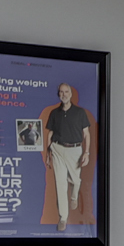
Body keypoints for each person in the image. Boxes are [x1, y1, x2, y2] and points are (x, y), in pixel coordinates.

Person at [42, 82, 96, 228]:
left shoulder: (80, 112)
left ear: (71, 94)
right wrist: (48, 153)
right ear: (58, 94)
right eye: (61, 92)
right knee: (60, 184)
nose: (63, 94)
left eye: (66, 92)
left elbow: (87, 134)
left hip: (75, 150)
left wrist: (87, 152)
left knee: (76, 181)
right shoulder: (54, 113)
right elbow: (50, 134)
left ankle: (74, 197)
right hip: (57, 149)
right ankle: (63, 218)